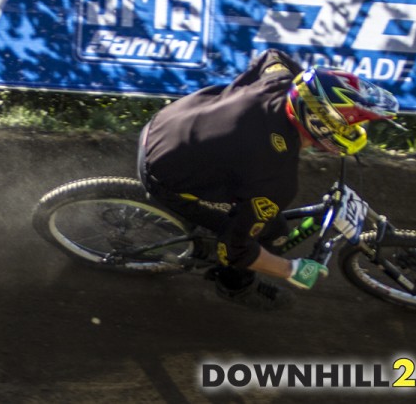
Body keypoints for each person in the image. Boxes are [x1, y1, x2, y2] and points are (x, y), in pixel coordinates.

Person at [137, 49, 399, 310]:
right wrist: (290, 269)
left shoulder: (281, 82)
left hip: (162, 126)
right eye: (353, 125)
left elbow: (272, 56)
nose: (358, 130)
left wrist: (303, 81)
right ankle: (234, 285)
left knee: (252, 212)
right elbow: (236, 248)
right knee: (271, 233)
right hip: (162, 173)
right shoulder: (275, 178)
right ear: (324, 125)